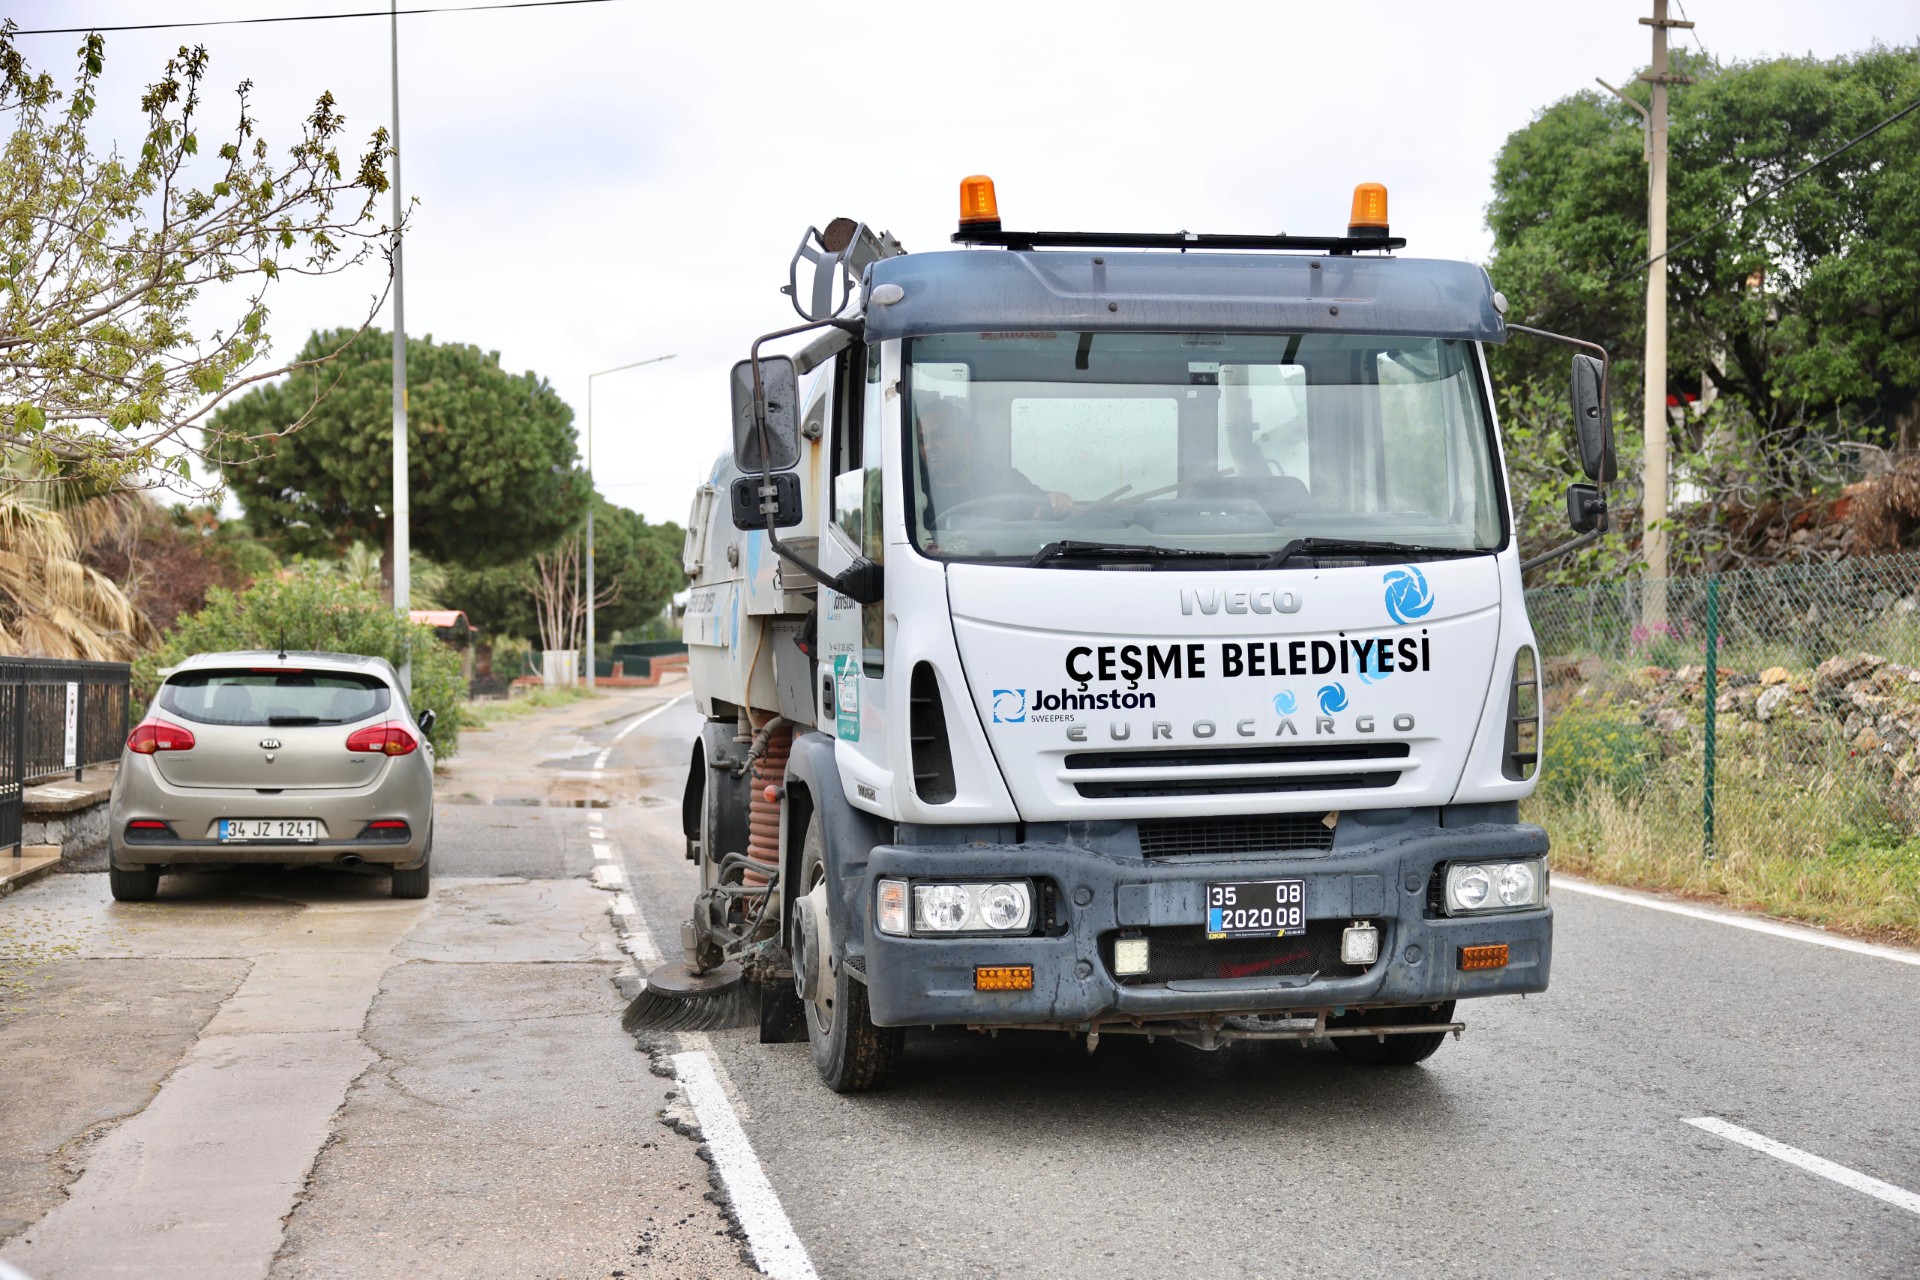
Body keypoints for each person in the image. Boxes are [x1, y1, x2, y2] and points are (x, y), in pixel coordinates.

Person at [916, 398, 1072, 523]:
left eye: (939, 436)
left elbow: (1047, 505)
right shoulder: (916, 494)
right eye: (922, 440)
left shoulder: (1006, 480)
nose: (929, 446)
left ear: (966, 439)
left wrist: (1058, 502)